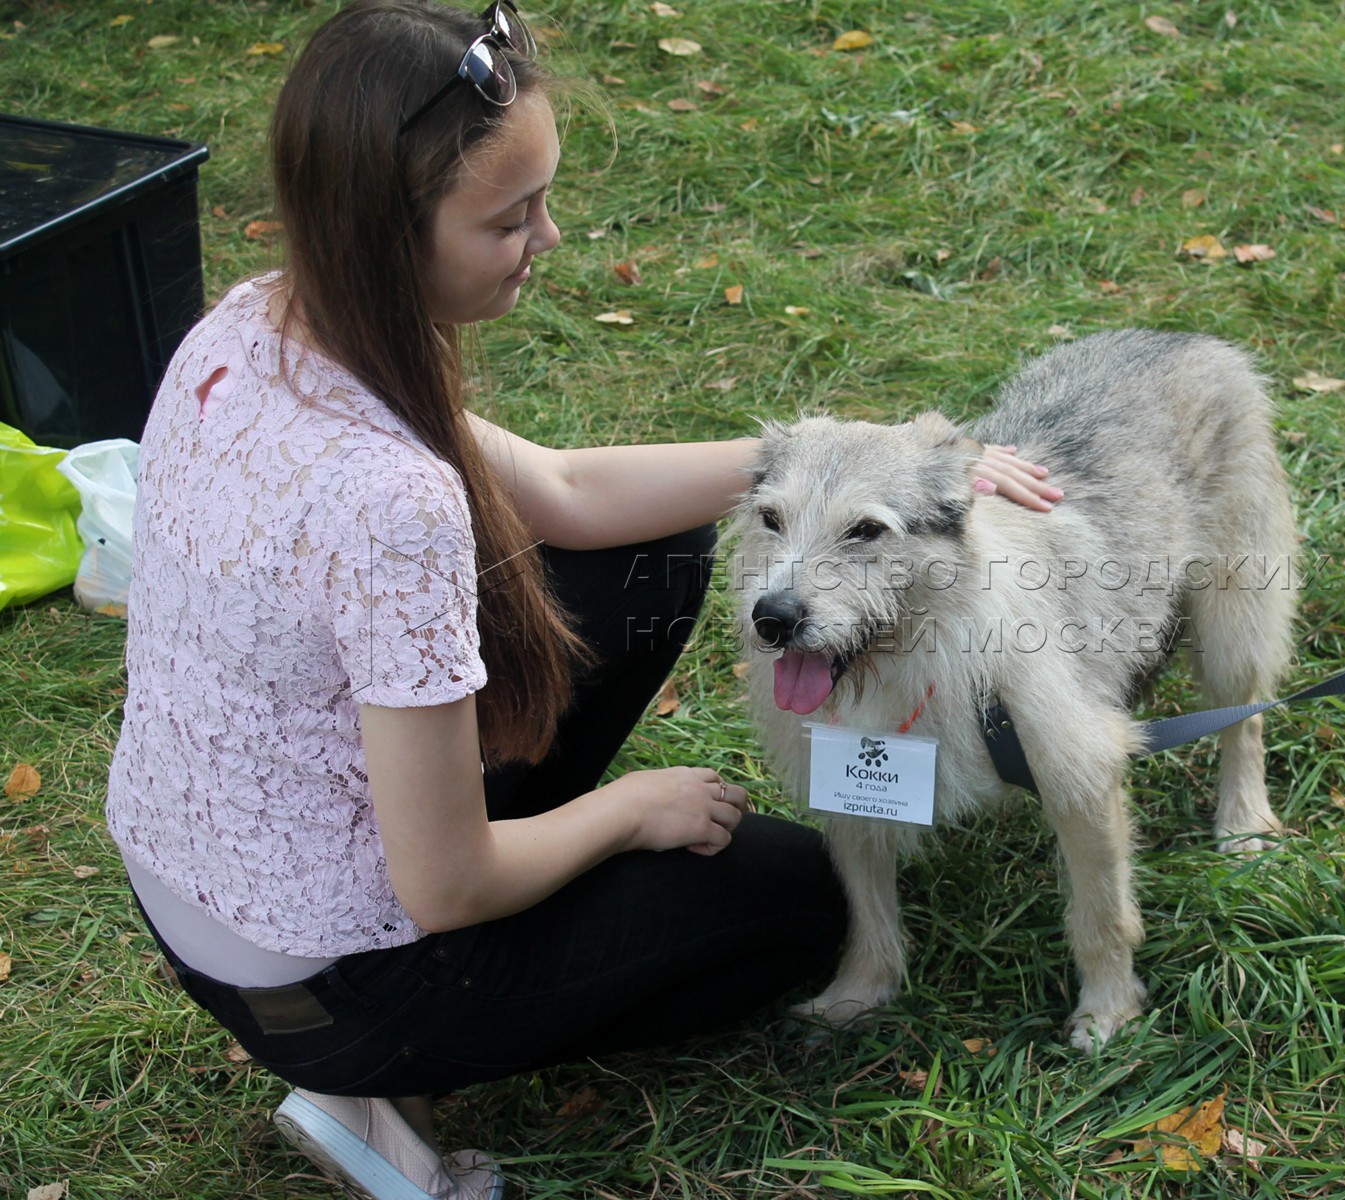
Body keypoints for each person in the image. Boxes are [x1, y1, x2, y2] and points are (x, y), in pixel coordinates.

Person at [105, 3, 1064, 1197]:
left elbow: (563, 492)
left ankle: (444, 987)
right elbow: (444, 886)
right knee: (799, 903)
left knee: (644, 562)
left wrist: (845, 459)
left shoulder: (256, 322)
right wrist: (631, 811)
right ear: (383, 231)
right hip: (333, 985)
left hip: (199, 887)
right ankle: (377, 1099)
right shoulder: (386, 500)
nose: (545, 237)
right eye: (509, 217)